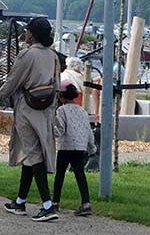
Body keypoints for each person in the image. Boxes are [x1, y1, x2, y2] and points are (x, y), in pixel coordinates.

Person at [0, 17, 61, 222]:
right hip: (45, 109)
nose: (25, 34)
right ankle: (20, 201)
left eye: (27, 30)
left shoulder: (27, 55)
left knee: (33, 153)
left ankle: (47, 205)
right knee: (32, 154)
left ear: (33, 33)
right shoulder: (53, 56)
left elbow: (12, 82)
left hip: (27, 109)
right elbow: (56, 84)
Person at [53, 83, 95, 216]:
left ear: (61, 97)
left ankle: (55, 202)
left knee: (60, 174)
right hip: (80, 147)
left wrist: (49, 130)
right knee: (80, 174)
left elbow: (60, 130)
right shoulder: (82, 111)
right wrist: (91, 146)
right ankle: (86, 203)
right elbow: (88, 130)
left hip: (65, 146)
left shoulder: (61, 110)